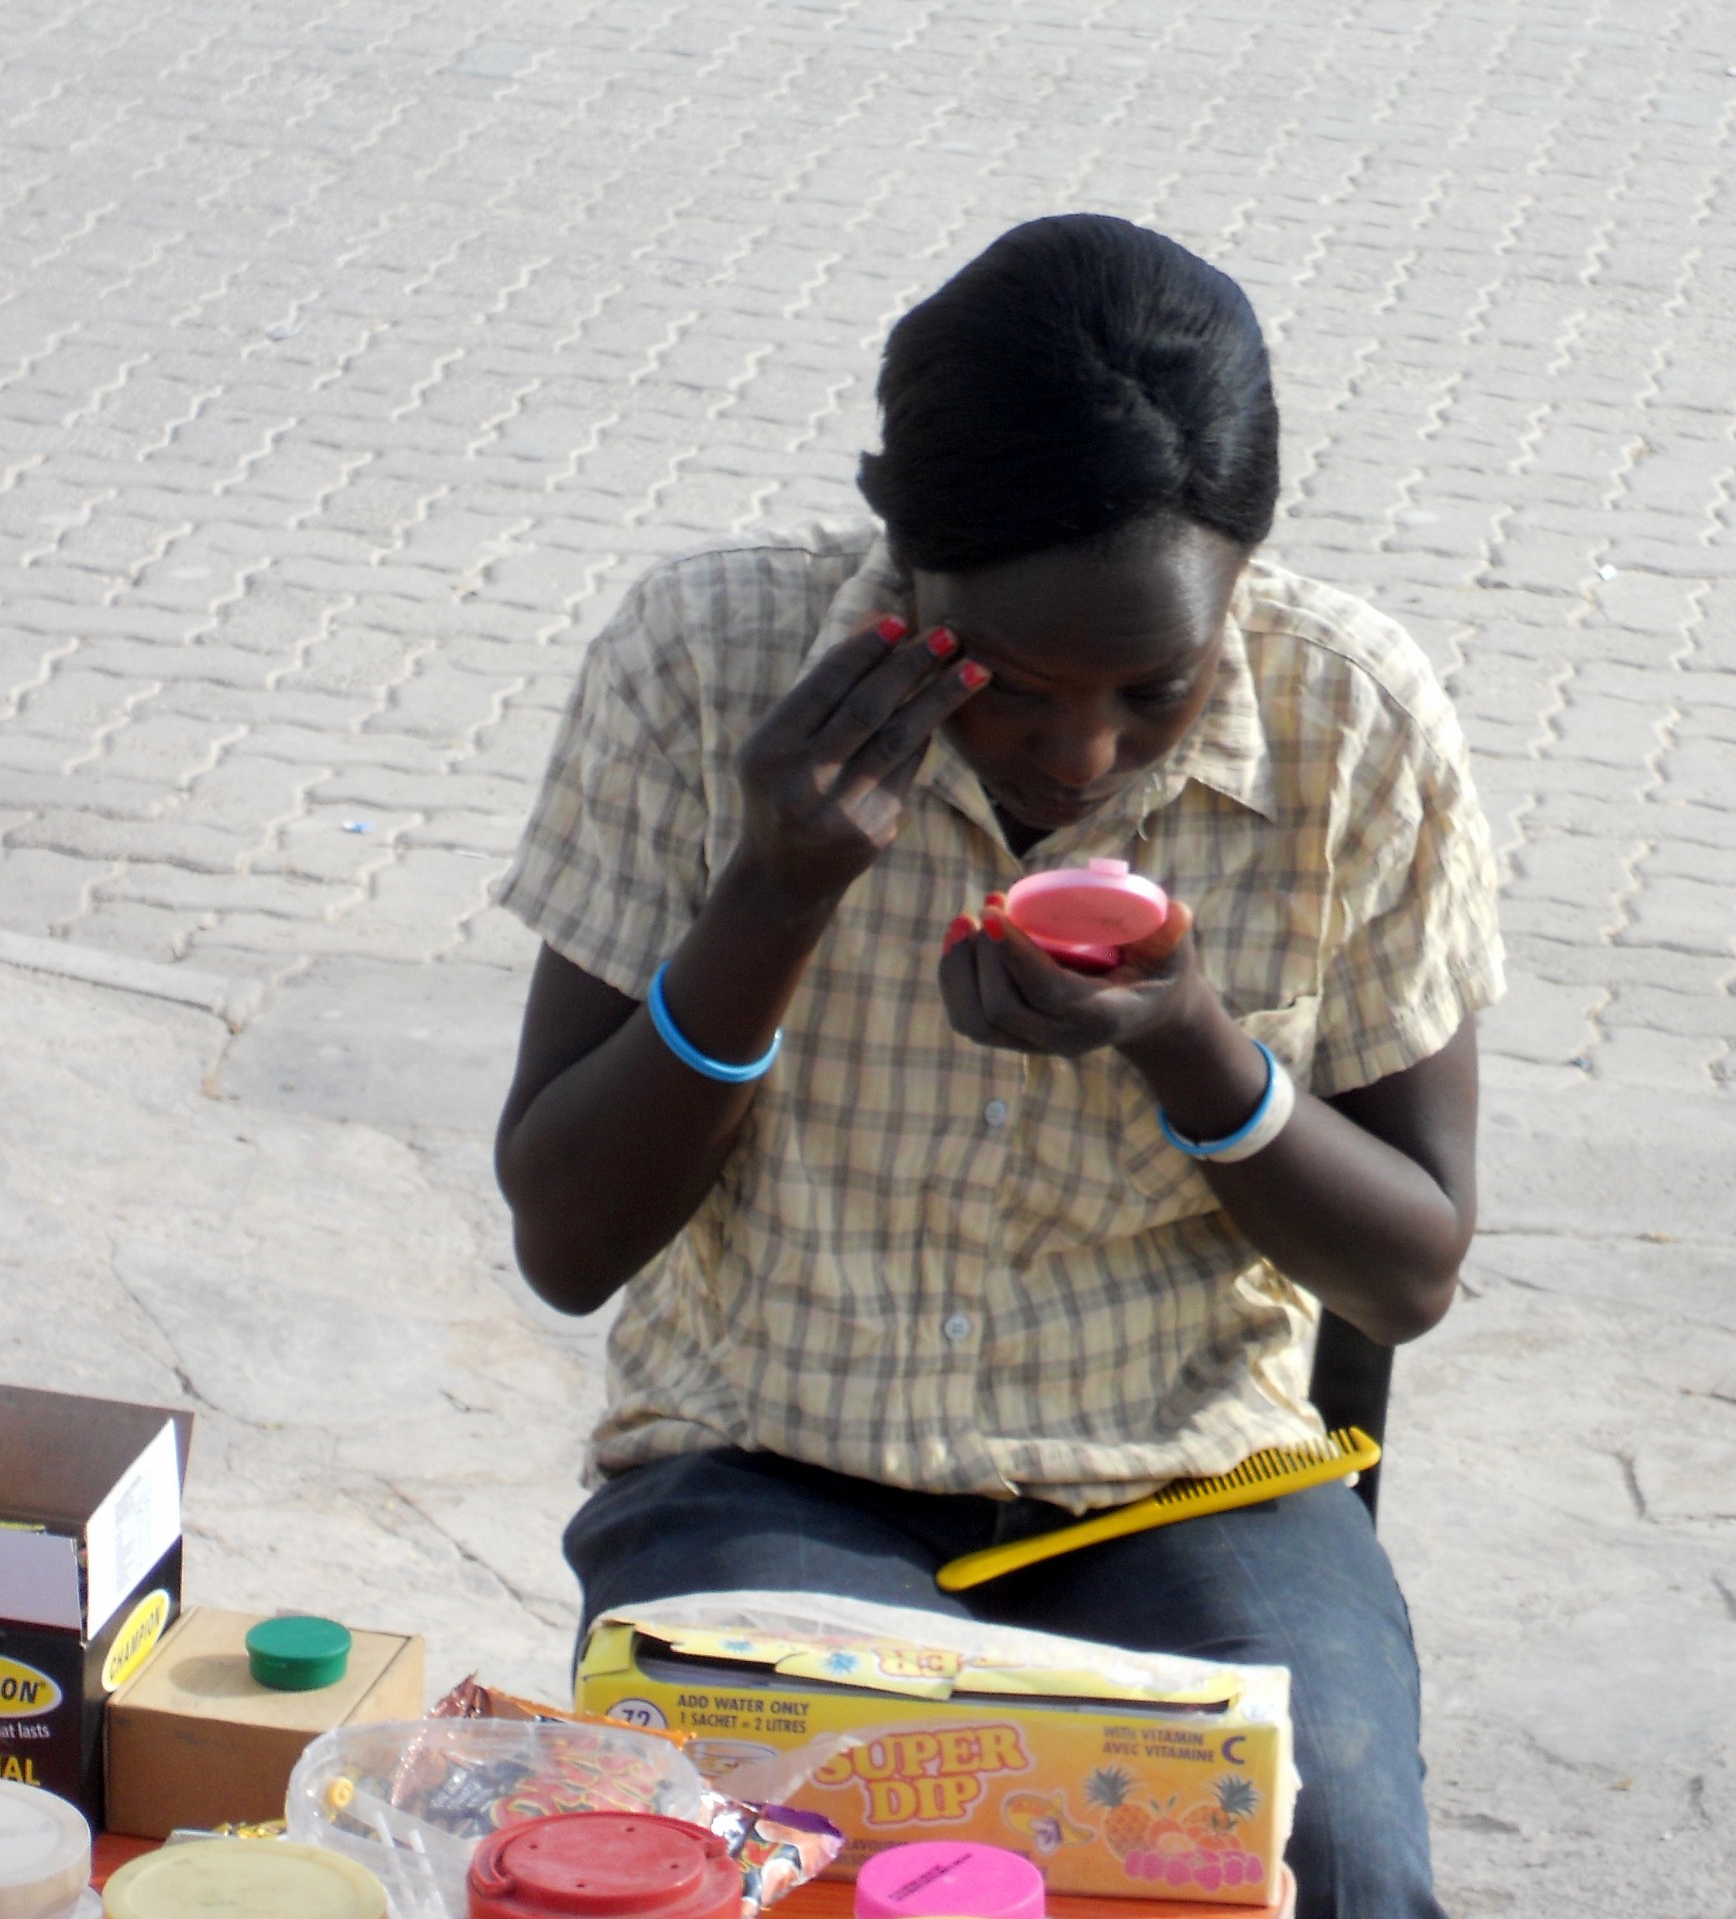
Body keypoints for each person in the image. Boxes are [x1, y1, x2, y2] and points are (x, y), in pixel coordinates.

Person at [493, 213, 1503, 1919]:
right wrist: (775, 895)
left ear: (1244, 574)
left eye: (1153, 688)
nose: (1078, 756)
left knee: (1334, 1869)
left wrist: (1193, 1044)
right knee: (750, 1873)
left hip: (1191, 1485)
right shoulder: (703, 663)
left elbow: (1409, 1273)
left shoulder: (1358, 724)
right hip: (766, 1457)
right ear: (908, 565)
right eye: (1007, 685)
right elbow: (569, 1247)